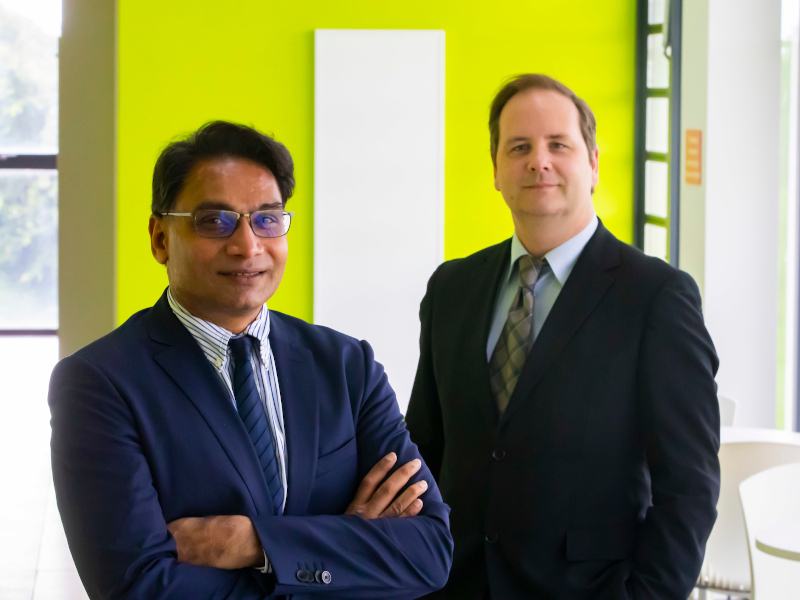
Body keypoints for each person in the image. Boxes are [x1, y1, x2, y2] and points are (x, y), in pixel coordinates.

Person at [49, 120, 452, 599]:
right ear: (160, 238)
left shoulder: (347, 366)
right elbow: (139, 588)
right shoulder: (100, 383)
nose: (247, 246)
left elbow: (429, 552)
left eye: (267, 219)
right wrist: (341, 550)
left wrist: (253, 543)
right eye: (214, 221)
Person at [405, 74, 720, 599]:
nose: (539, 161)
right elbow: (425, 450)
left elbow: (688, 486)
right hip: (454, 585)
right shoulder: (452, 288)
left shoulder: (656, 297)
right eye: (519, 147)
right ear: (496, 171)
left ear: (593, 162)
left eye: (559, 145)